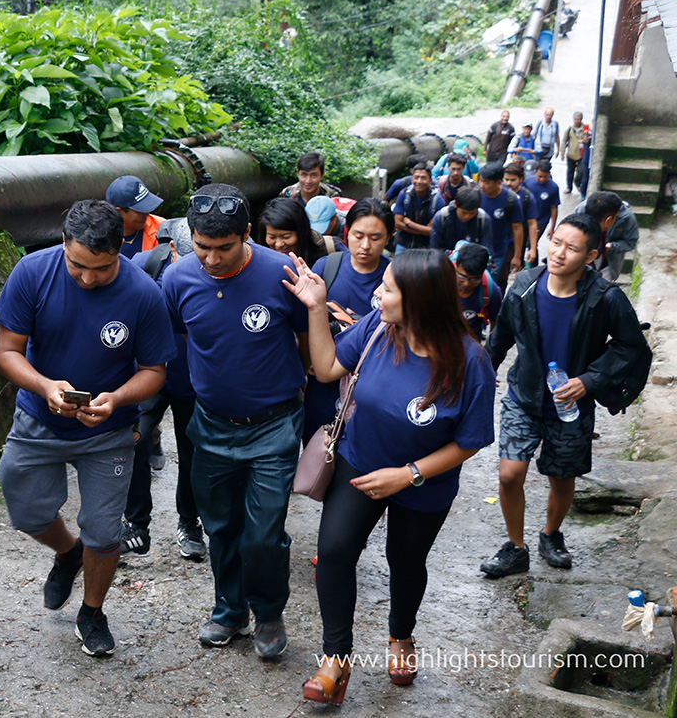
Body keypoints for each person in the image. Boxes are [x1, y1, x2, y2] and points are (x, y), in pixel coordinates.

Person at [284, 249, 495, 705]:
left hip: (424, 482)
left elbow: (471, 440)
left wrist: (409, 475)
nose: (377, 293)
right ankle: (335, 660)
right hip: (359, 463)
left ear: (420, 299)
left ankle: (401, 636)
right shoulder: (378, 329)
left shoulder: (470, 361)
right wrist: (317, 307)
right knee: (335, 552)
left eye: (388, 288)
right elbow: (326, 369)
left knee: (406, 561)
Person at [0, 199, 175, 657]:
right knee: (27, 511)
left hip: (107, 432)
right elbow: (7, 350)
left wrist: (116, 398)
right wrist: (45, 386)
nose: (87, 278)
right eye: (77, 265)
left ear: (120, 251)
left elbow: (154, 370)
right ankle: (68, 553)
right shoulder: (33, 272)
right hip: (39, 418)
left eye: (102, 268)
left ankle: (92, 611)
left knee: (104, 531)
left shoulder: (143, 294)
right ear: (64, 243)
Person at [162, 184, 309, 662]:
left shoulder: (281, 271)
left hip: (274, 425)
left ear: (247, 234)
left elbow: (310, 344)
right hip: (211, 425)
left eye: (223, 248)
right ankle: (229, 609)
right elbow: (183, 342)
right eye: (202, 247)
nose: (211, 259)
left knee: (263, 532)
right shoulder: (177, 278)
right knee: (220, 525)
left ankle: (267, 610)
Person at [481, 215, 651, 579]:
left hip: (571, 406)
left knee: (562, 477)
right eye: (555, 242)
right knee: (510, 475)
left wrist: (589, 381)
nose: (558, 252)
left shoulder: (606, 298)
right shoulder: (525, 285)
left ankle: (550, 534)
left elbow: (631, 347)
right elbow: (501, 336)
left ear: (590, 256)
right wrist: (480, 374)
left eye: (571, 248)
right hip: (523, 397)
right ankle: (516, 548)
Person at [121, 218, 207, 562]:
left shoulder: (216, 272)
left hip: (192, 380)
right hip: (148, 376)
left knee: (191, 455)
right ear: (173, 248)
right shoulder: (145, 266)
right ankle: (137, 525)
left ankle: (189, 523)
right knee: (134, 442)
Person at [302, 198, 393, 440]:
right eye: (358, 235)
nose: (365, 245)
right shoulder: (326, 267)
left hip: (370, 388)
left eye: (375, 238)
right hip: (323, 385)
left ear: (388, 238)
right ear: (347, 232)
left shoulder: (394, 279)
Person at [476, 162, 524, 291]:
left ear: (498, 182)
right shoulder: (475, 195)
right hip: (475, 250)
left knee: (490, 287)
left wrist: (517, 256)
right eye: (480, 181)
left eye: (486, 182)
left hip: (497, 253)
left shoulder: (511, 199)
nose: (482, 185)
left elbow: (517, 228)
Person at [579, 191, 640, 282]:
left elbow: (631, 241)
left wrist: (612, 246)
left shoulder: (626, 218)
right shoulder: (582, 209)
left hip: (606, 266)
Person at [261, 196, 332, 267]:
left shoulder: (326, 252)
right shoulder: (260, 259)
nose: (278, 244)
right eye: (272, 237)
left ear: (302, 233)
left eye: (286, 237)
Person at [106, 175, 165, 259]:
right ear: (119, 211)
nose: (147, 214)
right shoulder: (99, 236)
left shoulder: (161, 229)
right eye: (140, 210)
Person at [453, 242, 502, 340]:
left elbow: (495, 323)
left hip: (471, 339)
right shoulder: (441, 279)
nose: (467, 284)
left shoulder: (491, 292)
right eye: (462, 277)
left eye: (474, 279)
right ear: (456, 267)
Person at [430, 187, 494, 253]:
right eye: (464, 213)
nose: (467, 216)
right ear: (455, 205)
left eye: (472, 213)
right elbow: (435, 248)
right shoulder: (442, 216)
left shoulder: (483, 219)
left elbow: (487, 248)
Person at [392, 163, 438, 252]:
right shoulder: (404, 194)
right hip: (404, 242)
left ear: (430, 180)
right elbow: (397, 223)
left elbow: (433, 231)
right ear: (412, 178)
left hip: (425, 246)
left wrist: (409, 223)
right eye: (416, 177)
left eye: (423, 178)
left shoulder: (437, 199)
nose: (419, 181)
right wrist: (423, 230)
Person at [503, 161, 540, 268]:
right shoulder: (498, 191)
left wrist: (532, 249)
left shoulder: (527, 197)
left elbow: (532, 224)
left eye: (513, 180)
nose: (509, 183)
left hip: (517, 238)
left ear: (521, 179)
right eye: (506, 179)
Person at [524, 159, 561, 245]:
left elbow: (554, 208)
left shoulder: (553, 187)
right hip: (526, 218)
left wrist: (552, 227)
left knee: (531, 243)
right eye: (539, 176)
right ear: (535, 171)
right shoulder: (527, 182)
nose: (542, 179)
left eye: (545, 177)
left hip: (541, 220)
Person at [558, 112, 587, 194]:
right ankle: (569, 187)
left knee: (581, 171)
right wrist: (562, 152)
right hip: (571, 154)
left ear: (581, 119)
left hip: (581, 155)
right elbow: (564, 140)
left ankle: (577, 182)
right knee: (570, 171)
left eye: (578, 119)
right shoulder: (570, 129)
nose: (577, 121)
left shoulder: (585, 129)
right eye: (575, 119)